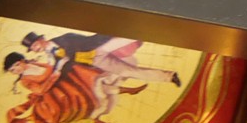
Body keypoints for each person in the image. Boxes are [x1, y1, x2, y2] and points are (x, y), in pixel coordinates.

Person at [21, 30, 180, 89]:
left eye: (35, 45)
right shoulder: (51, 59)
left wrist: (67, 57)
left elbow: (81, 41)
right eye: (33, 49)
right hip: (95, 61)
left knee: (129, 37)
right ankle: (169, 76)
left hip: (98, 48)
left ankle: (165, 30)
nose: (35, 49)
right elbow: (60, 69)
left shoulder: (63, 39)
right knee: (128, 71)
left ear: (40, 40)